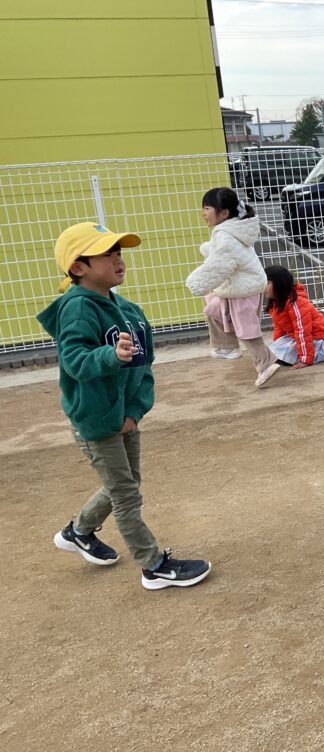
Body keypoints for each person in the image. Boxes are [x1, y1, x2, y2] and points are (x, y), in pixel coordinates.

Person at [37, 222, 212, 590]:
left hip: (124, 416)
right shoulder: (76, 308)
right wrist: (110, 355)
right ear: (79, 267)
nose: (118, 259)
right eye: (107, 254)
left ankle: (79, 531)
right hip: (95, 418)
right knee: (126, 493)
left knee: (126, 484)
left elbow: (144, 366)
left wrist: (134, 410)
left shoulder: (129, 311)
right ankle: (153, 566)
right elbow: (74, 360)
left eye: (119, 252)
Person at [185, 187, 279, 389]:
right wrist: (208, 249)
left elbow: (221, 263)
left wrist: (196, 281)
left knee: (247, 330)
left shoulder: (226, 235)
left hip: (244, 290)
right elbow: (224, 254)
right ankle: (227, 347)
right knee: (213, 309)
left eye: (207, 208)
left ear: (224, 213)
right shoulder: (229, 231)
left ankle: (265, 363)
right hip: (237, 287)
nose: (204, 213)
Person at [264, 265, 324, 368]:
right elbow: (279, 328)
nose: (263, 286)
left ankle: (309, 355)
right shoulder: (276, 303)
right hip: (296, 337)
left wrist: (305, 359)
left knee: (281, 353)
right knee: (270, 350)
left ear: (279, 284)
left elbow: (302, 331)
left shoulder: (296, 303)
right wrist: (277, 345)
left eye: (267, 283)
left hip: (315, 338)